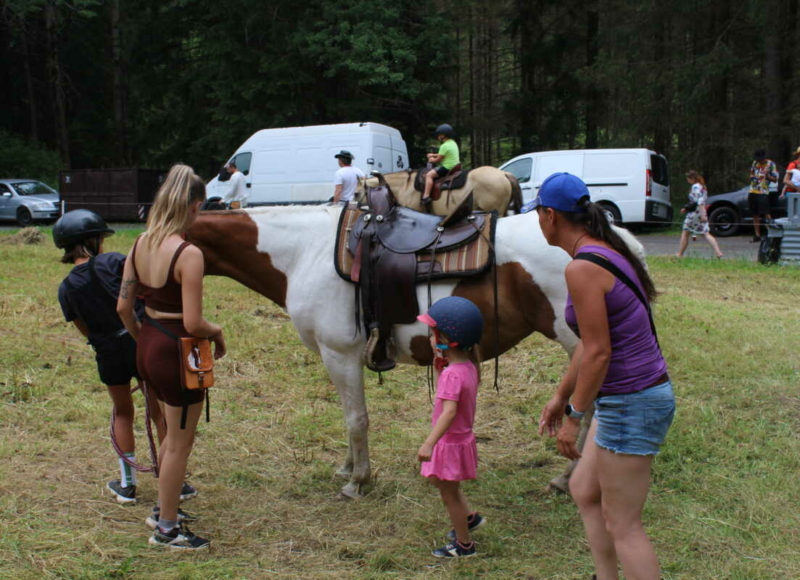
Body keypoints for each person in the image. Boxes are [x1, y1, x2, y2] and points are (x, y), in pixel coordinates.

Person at [536, 172, 675, 580]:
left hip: (632, 402)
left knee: (624, 525)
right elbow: (590, 342)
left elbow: (599, 353)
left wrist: (575, 417)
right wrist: (560, 396)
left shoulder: (583, 268)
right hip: (629, 398)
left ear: (550, 215)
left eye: (538, 214)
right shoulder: (606, 251)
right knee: (583, 489)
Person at [117, 164, 226, 550]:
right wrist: (217, 331)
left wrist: (145, 340)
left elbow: (123, 307)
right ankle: (166, 529)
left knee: (171, 435)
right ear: (195, 206)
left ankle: (163, 510)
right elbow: (194, 322)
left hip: (148, 344)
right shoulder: (188, 253)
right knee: (180, 442)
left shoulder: (139, 243)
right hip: (179, 352)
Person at [54, 209, 166, 505]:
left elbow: (83, 328)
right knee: (158, 411)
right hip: (140, 341)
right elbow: (141, 291)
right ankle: (172, 480)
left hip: (107, 353)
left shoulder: (66, 288)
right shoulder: (115, 261)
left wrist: (103, 343)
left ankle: (127, 485)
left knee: (123, 412)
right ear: (93, 241)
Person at [416, 296, 485, 558]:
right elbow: (448, 396)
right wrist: (439, 368)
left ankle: (464, 545)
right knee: (445, 485)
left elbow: (449, 411)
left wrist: (428, 443)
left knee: (449, 495)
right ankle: (469, 518)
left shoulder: (452, 374)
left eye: (432, 334)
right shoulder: (468, 366)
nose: (429, 338)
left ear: (446, 339)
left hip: (449, 443)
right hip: (460, 439)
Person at [676, 170, 723, 259]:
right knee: (706, 233)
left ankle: (680, 254)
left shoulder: (695, 187)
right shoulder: (702, 186)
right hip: (701, 211)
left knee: (685, 232)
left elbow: (699, 201)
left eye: (688, 178)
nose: (687, 180)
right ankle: (718, 252)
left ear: (692, 178)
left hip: (695, 214)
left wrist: (702, 215)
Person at [422, 124, 460, 205]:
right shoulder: (453, 143)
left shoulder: (444, 146)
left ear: (443, 135)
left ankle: (426, 196)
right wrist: (433, 154)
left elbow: (438, 159)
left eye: (439, 135)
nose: (438, 136)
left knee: (429, 175)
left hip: (447, 168)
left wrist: (432, 159)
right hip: (455, 166)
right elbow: (443, 154)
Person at [748, 149, 778, 242]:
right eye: (758, 159)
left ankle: (771, 234)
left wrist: (767, 176)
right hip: (753, 190)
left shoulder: (771, 164)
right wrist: (752, 177)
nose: (759, 161)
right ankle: (757, 235)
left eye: (760, 159)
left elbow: (775, 179)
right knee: (754, 214)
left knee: (765, 212)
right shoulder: (754, 163)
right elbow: (751, 173)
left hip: (763, 191)